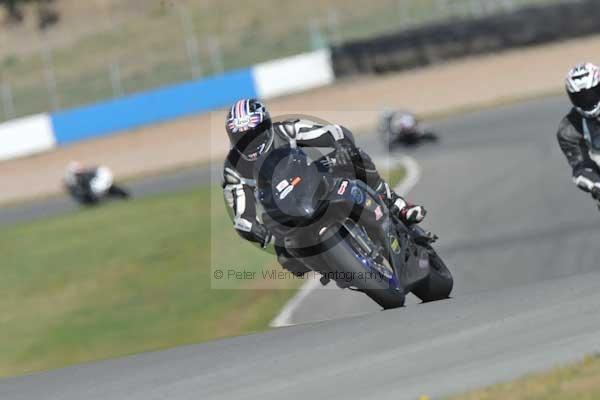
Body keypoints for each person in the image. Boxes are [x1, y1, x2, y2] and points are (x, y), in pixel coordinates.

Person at [222, 99, 427, 276]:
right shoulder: (234, 169)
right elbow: (241, 213)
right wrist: (252, 228)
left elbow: (333, 132)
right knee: (288, 260)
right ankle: (337, 270)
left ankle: (395, 203)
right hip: (280, 210)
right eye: (242, 139)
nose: (250, 143)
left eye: (254, 134)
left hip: (313, 178)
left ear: (266, 127)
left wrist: (341, 147)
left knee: (356, 159)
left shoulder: (286, 130)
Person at [558, 62, 600, 206]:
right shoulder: (568, 130)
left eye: (592, 93)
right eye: (580, 97)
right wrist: (595, 185)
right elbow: (581, 167)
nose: (588, 101)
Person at [64, 161, 130, 204]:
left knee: (112, 189)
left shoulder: (87, 175)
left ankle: (124, 195)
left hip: (99, 186)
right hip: (95, 190)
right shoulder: (76, 180)